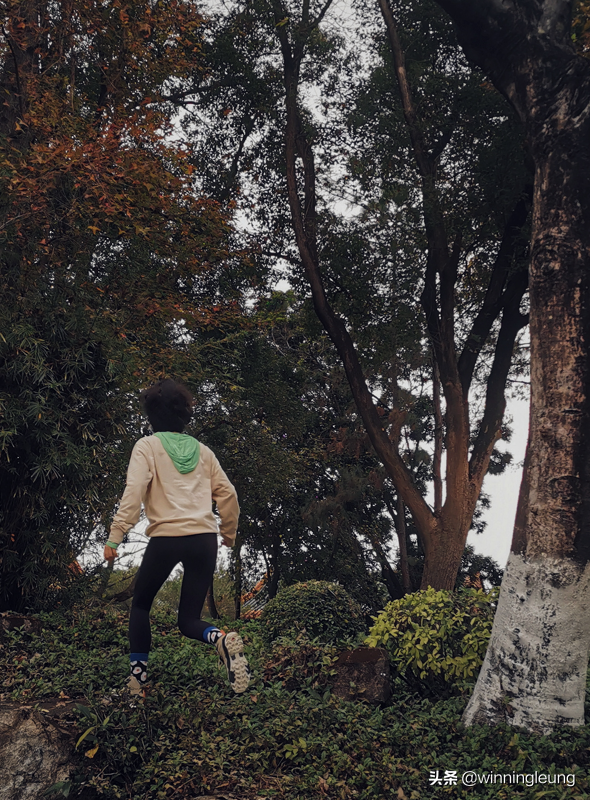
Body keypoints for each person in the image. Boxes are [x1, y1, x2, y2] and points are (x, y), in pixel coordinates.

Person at [103, 378, 249, 697]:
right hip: (204, 539)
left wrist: (115, 536)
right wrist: (228, 533)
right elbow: (228, 494)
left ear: (151, 416)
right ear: (184, 415)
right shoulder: (203, 452)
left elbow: (134, 492)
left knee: (140, 605)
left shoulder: (147, 447)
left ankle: (137, 682)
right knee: (188, 620)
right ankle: (220, 639)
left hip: (167, 537)